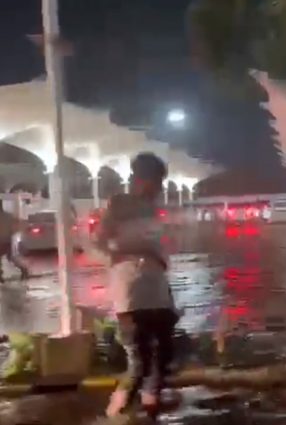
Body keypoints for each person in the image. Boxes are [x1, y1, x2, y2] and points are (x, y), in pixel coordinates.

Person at [96, 152, 179, 418]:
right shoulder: (118, 205)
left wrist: (161, 262)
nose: (160, 188)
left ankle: (149, 402)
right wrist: (128, 253)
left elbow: (159, 244)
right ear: (140, 180)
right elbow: (98, 242)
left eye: (161, 182)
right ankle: (115, 412)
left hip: (156, 290)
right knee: (139, 361)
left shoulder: (154, 208)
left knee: (165, 352)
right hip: (130, 292)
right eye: (156, 181)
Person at [0, 209, 29, 282]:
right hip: (8, 240)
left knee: (10, 257)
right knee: (12, 257)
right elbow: (15, 228)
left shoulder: (8, 216)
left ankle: (0, 276)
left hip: (2, 241)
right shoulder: (9, 216)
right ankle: (24, 270)